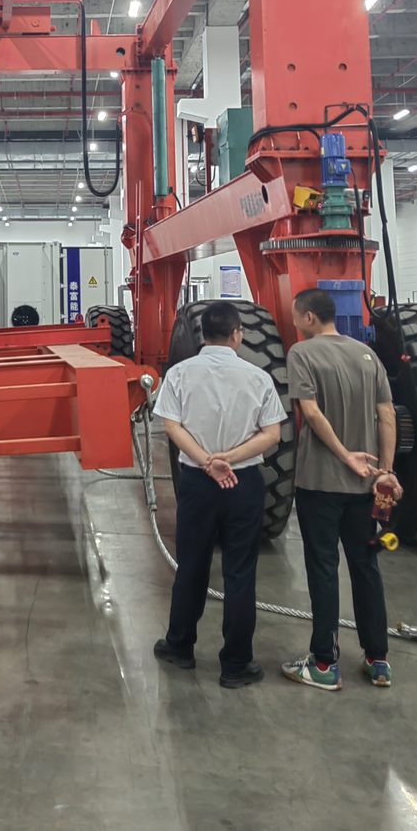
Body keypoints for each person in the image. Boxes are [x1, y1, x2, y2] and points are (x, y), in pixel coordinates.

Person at [152, 301, 287, 688]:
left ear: (203, 335)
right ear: (236, 334)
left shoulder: (179, 373)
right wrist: (230, 459)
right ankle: (236, 664)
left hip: (198, 483)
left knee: (191, 566)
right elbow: (272, 434)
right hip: (242, 483)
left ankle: (179, 646)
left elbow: (172, 426)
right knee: (240, 572)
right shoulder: (258, 377)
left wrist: (207, 461)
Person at [281, 288, 401, 691]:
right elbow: (387, 415)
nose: (293, 320)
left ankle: (324, 663)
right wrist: (386, 471)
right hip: (368, 486)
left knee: (323, 569)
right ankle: (378, 659)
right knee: (366, 567)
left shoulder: (302, 353)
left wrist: (345, 455)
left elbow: (311, 412)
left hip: (319, 483)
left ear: (309, 318)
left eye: (295, 314)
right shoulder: (368, 356)